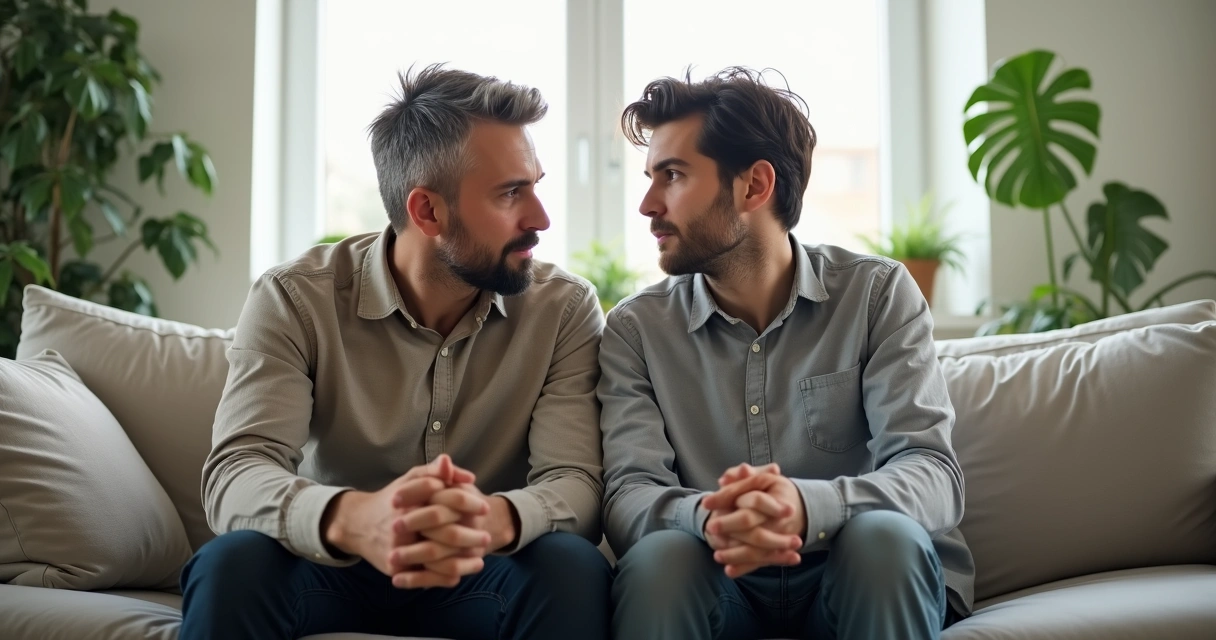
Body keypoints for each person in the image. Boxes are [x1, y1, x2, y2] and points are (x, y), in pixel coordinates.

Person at [179, 64, 611, 640]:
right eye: (511, 193)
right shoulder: (294, 298)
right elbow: (237, 471)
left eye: (535, 185)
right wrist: (354, 519)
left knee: (571, 568)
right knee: (230, 564)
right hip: (331, 562)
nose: (541, 218)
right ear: (427, 211)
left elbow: (575, 479)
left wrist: (493, 519)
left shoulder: (563, 309)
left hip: (482, 563)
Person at [599, 67, 974, 640]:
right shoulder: (636, 329)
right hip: (720, 581)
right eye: (651, 177)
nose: (648, 204)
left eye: (672, 175)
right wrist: (710, 517)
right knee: (661, 560)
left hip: (857, 570)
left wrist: (807, 507)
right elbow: (629, 493)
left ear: (754, 186)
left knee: (883, 539)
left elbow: (932, 473)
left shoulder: (876, 294)